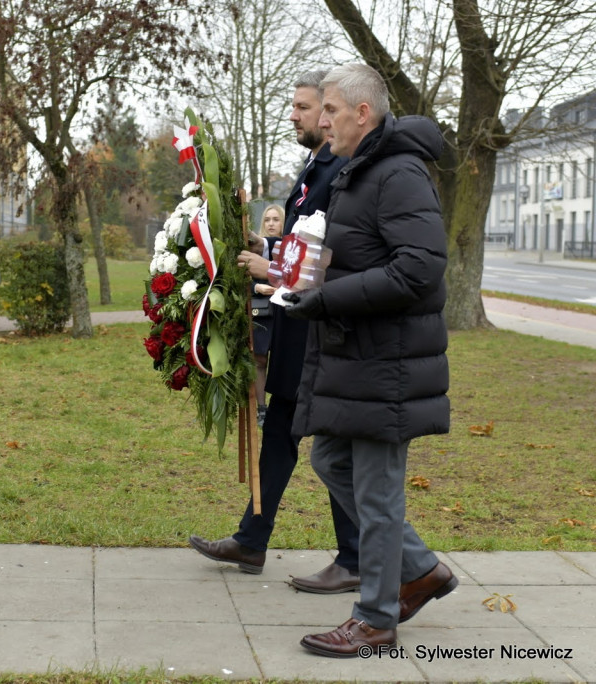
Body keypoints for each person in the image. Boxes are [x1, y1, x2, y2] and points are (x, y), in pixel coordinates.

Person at [283, 63, 457, 657]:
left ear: (363, 112)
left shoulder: (399, 172)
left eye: (329, 109)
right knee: (331, 461)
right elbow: (362, 253)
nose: (321, 120)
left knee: (378, 493)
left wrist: (327, 296)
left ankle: (376, 617)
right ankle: (422, 569)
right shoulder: (364, 169)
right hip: (357, 356)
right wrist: (307, 273)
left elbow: (418, 269)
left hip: (390, 363)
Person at [189, 71, 361, 592]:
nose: (297, 115)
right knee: (281, 432)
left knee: (332, 441)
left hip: (318, 331)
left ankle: (354, 557)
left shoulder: (343, 167)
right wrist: (262, 248)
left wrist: (276, 270)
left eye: (305, 107)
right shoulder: (317, 164)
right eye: (299, 106)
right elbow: (301, 239)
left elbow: (336, 254)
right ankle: (253, 538)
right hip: (296, 327)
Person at [250, 203, 283, 427]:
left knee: (281, 362)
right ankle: (261, 408)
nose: (271, 223)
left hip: (284, 313)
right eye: (267, 219)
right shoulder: (256, 247)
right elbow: (243, 277)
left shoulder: (290, 248)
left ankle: (281, 407)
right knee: (260, 360)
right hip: (261, 311)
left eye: (276, 219)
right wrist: (256, 288)